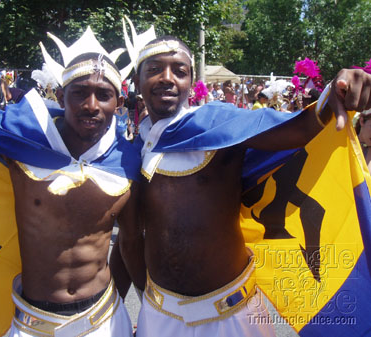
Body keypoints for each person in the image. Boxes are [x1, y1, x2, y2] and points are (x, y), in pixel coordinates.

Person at [119, 35, 371, 337]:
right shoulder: (132, 149)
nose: (167, 78)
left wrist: (338, 90)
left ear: (191, 81)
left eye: (180, 71)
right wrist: (143, 301)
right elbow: (129, 238)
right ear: (137, 79)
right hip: (159, 314)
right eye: (155, 69)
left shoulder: (219, 123)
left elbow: (299, 128)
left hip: (231, 316)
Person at [0, 41, 141, 336]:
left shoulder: (128, 160)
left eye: (103, 95)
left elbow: (129, 243)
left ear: (119, 102)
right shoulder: (24, 134)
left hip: (105, 319)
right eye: (79, 93)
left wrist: (146, 306)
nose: (91, 105)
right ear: (61, 96)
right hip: (33, 323)